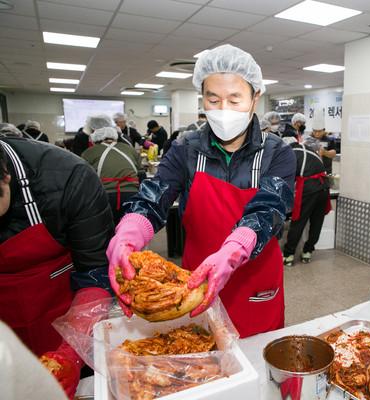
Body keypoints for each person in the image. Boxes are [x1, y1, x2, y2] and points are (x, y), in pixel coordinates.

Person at [107, 44, 295, 338]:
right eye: (213, 99)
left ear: (254, 98)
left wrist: (234, 250)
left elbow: (269, 208)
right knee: (200, 360)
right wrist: (129, 232)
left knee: (258, 368)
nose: (223, 110)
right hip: (194, 282)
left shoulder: (277, 153)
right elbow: (155, 195)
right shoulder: (185, 149)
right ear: (202, 99)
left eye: (235, 99)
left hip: (255, 281)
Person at [0, 136, 115, 397]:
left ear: (5, 176)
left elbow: (95, 274)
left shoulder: (70, 179)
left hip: (66, 317)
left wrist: (71, 354)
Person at [82, 126, 145, 226]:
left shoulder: (88, 152)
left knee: (107, 229)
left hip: (105, 195)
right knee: (130, 227)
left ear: (95, 140)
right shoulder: (130, 149)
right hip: (131, 194)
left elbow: (84, 177)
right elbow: (141, 174)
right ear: (115, 138)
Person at [282, 140, 330, 266]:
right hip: (324, 187)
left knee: (298, 221)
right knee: (317, 222)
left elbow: (287, 180)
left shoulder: (291, 154)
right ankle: (307, 252)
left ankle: (288, 255)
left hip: (309, 189)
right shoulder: (309, 149)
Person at [301, 108, 336, 174]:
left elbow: (333, 154)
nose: (317, 134)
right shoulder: (308, 139)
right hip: (310, 172)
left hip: (325, 171)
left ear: (324, 130)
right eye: (315, 131)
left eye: (319, 131)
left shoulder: (329, 140)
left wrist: (325, 152)